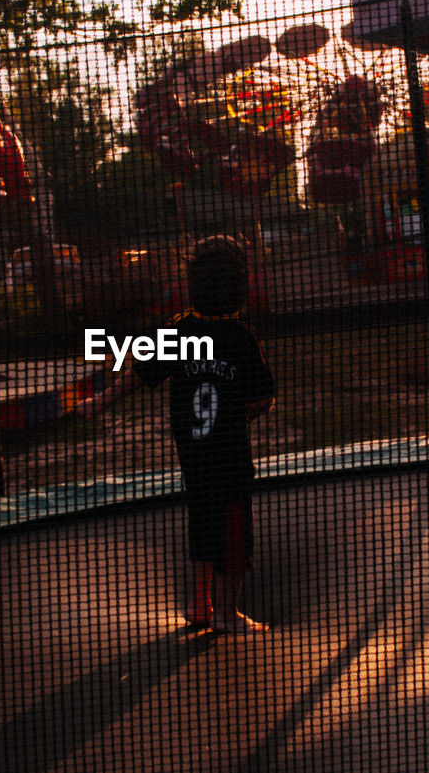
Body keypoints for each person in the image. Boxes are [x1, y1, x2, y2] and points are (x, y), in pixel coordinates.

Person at [75, 235, 277, 632]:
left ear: (195, 283)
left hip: (193, 452)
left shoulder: (180, 331)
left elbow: (137, 374)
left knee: (202, 518)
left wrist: (98, 402)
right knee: (233, 529)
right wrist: (237, 416)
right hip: (229, 456)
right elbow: (263, 399)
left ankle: (199, 602)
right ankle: (227, 614)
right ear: (240, 284)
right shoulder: (241, 337)